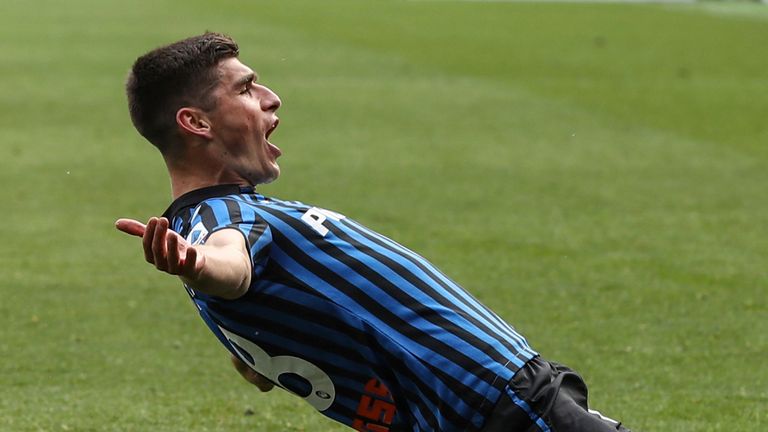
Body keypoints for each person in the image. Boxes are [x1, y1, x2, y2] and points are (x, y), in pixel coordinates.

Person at [116, 32, 631, 432]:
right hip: (497, 403)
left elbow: (267, 333)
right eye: (246, 89)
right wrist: (202, 266)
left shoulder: (220, 216)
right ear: (197, 123)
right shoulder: (221, 220)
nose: (272, 99)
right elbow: (230, 264)